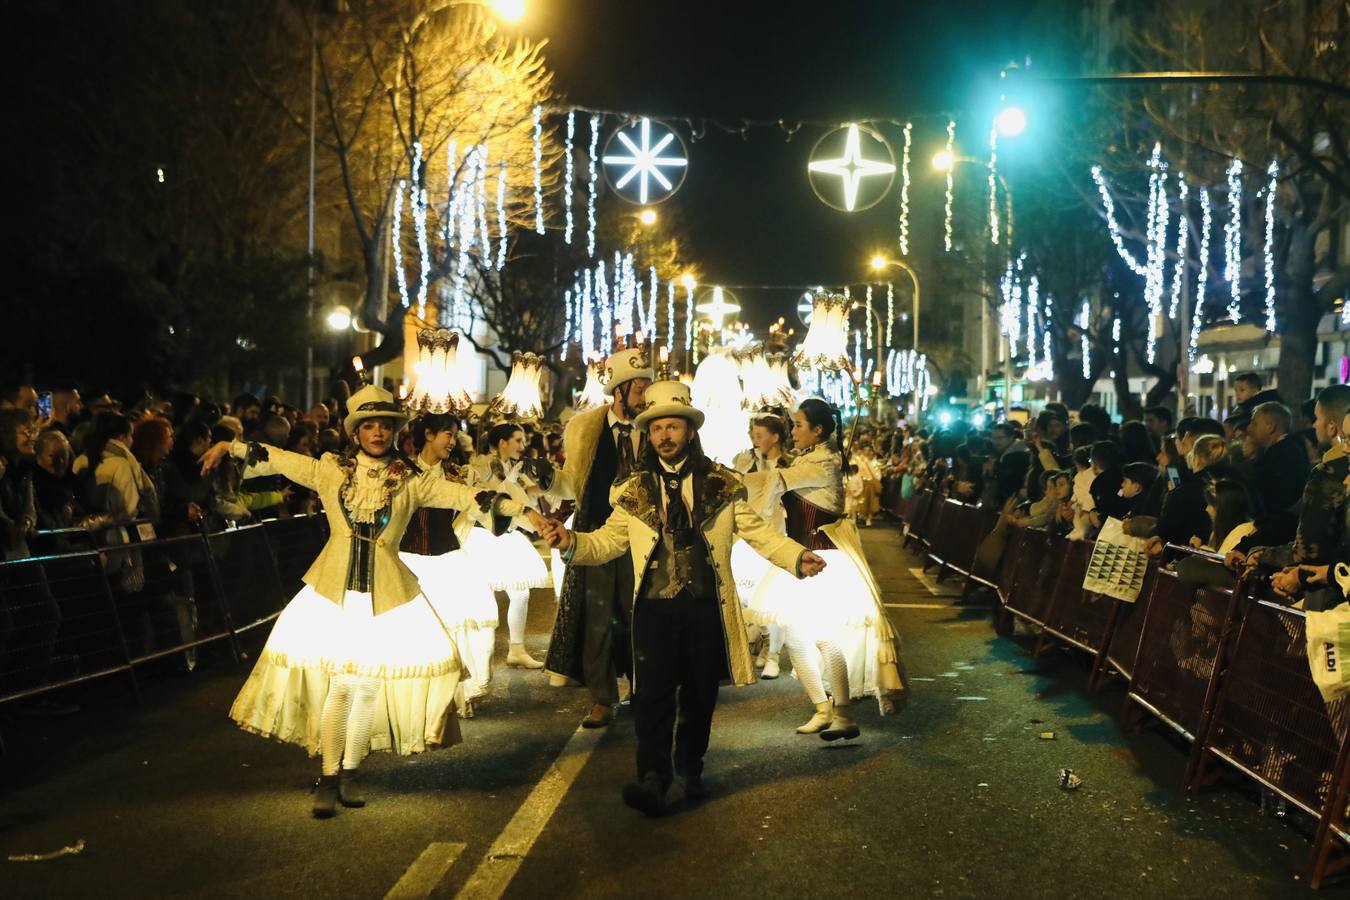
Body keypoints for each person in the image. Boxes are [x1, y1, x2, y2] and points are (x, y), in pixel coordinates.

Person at [199, 385, 544, 818]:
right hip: (335, 593)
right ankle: (328, 776)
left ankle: (349, 772)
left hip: (387, 594)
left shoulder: (411, 481)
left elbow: (466, 497)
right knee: (342, 685)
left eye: (384, 425)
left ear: (395, 431)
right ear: (356, 431)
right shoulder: (331, 470)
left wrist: (527, 513)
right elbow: (285, 462)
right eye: (369, 425)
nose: (377, 432)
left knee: (366, 685)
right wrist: (229, 444)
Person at [543, 380, 825, 817]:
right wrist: (570, 542)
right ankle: (653, 779)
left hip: (704, 608)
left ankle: (690, 769)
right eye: (657, 429)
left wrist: (795, 556)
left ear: (689, 432)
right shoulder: (632, 490)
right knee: (651, 697)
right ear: (649, 434)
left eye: (673, 427)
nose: (665, 437)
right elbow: (607, 543)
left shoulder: (720, 485)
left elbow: (757, 532)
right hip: (653, 610)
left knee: (698, 698)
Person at [744, 397, 908, 741]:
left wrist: (725, 481)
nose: (793, 431)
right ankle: (823, 709)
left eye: (799, 425)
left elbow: (772, 481)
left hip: (823, 561)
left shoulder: (825, 462)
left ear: (818, 430)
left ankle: (844, 713)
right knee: (796, 638)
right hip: (800, 557)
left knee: (822, 636)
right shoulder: (808, 460)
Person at [544, 348, 653, 728]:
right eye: (638, 389)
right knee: (597, 620)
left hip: (644, 539)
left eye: (646, 388)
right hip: (595, 539)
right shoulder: (585, 428)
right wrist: (543, 476)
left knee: (643, 618)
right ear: (619, 391)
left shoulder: (655, 427)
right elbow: (570, 484)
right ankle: (602, 699)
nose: (644, 396)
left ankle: (645, 691)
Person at [399, 413, 500, 716]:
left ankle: (457, 695)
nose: (452, 441)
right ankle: (418, 701)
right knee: (418, 632)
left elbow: (481, 505)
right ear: (428, 435)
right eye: (448, 434)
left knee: (463, 627)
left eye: (455, 435)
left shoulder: (459, 474)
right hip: (409, 560)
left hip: (448, 558)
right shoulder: (400, 471)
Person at [462, 422, 553, 670]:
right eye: (518, 440)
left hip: (508, 534)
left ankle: (516, 648)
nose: (522, 446)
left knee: (520, 592)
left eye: (523, 441)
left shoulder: (513, 467)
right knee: (485, 595)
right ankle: (481, 654)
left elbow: (522, 495)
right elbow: (488, 498)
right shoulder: (481, 465)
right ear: (502, 443)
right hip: (484, 535)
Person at [731, 413, 790, 679]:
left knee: (772, 597)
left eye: (760, 435)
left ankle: (774, 652)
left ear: (774, 437)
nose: (754, 440)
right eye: (752, 434)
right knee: (748, 597)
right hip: (748, 534)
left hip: (776, 533)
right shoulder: (743, 462)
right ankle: (759, 644)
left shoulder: (790, 465)